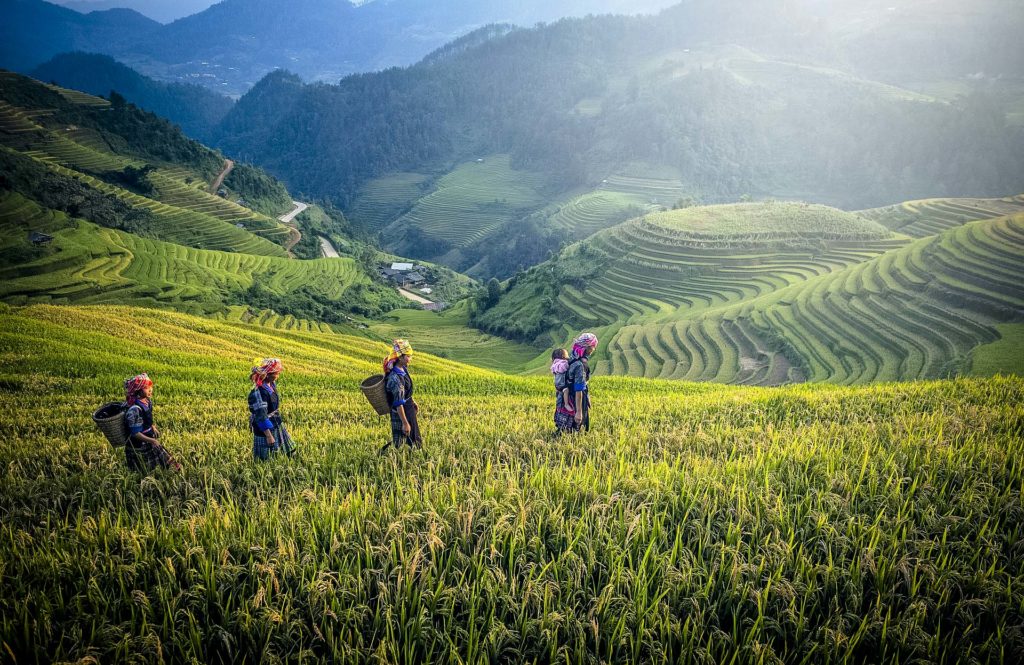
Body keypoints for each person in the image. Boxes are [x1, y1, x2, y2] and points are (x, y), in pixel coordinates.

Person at [123, 373, 181, 473]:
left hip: (148, 437)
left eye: (151, 387)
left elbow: (147, 418)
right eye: (146, 388)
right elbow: (135, 433)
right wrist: (152, 441)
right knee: (145, 468)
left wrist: (152, 427)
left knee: (165, 460)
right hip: (139, 443)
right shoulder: (135, 409)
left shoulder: (147, 401)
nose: (150, 390)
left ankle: (175, 471)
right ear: (138, 391)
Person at [248, 358, 295, 460]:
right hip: (265, 429)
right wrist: (269, 436)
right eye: (276, 373)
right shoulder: (259, 393)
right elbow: (261, 416)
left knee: (290, 450)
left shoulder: (271, 385)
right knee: (265, 458)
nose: (278, 375)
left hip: (276, 422)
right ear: (268, 375)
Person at [382, 339, 422, 451]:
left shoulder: (403, 368)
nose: (410, 359)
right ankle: (395, 458)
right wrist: (405, 423)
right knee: (401, 441)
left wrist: (412, 401)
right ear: (400, 357)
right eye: (408, 356)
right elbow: (398, 403)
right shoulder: (395, 378)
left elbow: (406, 391)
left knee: (415, 439)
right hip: (401, 412)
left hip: (408, 408)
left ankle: (410, 456)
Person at [559, 333, 599, 434]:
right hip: (576, 398)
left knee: (565, 425)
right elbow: (579, 389)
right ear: (587, 347)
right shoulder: (580, 365)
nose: (593, 349)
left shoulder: (572, 357)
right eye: (593, 347)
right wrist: (579, 412)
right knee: (577, 427)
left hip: (567, 395)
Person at [551, 348, 575, 432]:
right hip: (562, 383)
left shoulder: (555, 363)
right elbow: (564, 368)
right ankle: (566, 404)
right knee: (566, 391)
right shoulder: (562, 363)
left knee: (560, 396)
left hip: (557, 384)